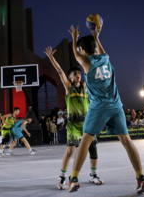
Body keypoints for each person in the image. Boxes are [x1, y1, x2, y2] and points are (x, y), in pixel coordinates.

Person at [67, 25, 144, 193]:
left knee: (85, 141)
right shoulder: (106, 58)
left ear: (83, 50)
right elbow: (100, 50)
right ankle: (141, 177)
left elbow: (76, 54)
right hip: (116, 106)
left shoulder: (86, 62)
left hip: (98, 108)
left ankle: (74, 179)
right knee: (126, 141)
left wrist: (74, 38)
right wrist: (96, 36)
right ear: (96, 47)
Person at [44, 46, 104, 190]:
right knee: (70, 151)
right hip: (73, 124)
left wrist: (91, 55)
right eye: (75, 74)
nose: (78, 75)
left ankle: (93, 175)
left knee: (93, 149)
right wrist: (51, 57)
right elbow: (59, 71)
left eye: (79, 73)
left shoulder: (84, 85)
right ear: (70, 76)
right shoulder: (68, 87)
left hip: (87, 123)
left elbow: (89, 69)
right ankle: (62, 178)